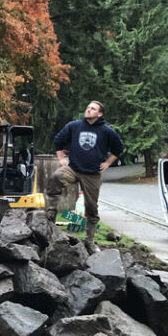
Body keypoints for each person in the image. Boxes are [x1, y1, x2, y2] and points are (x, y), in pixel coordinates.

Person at [45, 100, 125, 246]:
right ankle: (51, 213)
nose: (88, 110)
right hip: (73, 169)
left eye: (92, 108)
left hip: (92, 174)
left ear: (99, 114)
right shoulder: (74, 126)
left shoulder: (106, 131)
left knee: (91, 207)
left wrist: (107, 163)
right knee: (56, 177)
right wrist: (61, 158)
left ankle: (89, 240)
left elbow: (119, 148)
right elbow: (58, 140)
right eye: (88, 107)